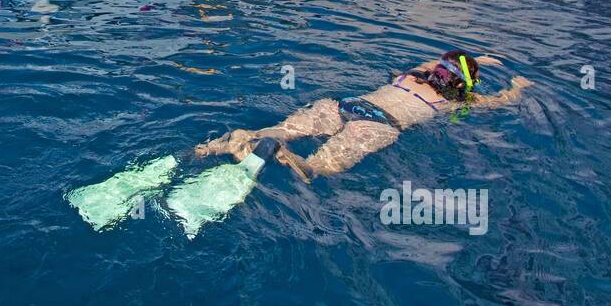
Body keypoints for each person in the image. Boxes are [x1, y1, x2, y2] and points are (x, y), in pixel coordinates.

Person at [195, 51, 531, 182]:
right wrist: (518, 86)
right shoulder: (456, 104)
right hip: (379, 124)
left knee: (280, 129)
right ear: (464, 84)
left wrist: (480, 58)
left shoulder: (410, 76)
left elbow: (438, 61)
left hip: (347, 105)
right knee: (319, 168)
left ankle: (232, 141)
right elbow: (499, 101)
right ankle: (299, 161)